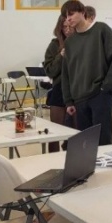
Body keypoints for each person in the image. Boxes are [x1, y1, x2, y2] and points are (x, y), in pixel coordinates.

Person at [61, 0, 112, 146]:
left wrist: (106, 87)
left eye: (71, 14)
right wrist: (68, 101)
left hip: (100, 95)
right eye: (65, 16)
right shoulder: (70, 42)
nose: (68, 19)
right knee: (86, 144)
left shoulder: (101, 30)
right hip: (79, 99)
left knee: (103, 140)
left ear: (82, 12)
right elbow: (66, 73)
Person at [43, 15, 73, 152]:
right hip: (59, 90)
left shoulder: (82, 42)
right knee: (54, 132)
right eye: (64, 27)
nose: (67, 29)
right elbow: (50, 71)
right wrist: (61, 55)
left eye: (70, 26)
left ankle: (71, 156)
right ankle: (52, 158)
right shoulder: (54, 45)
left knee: (75, 132)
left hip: (77, 91)